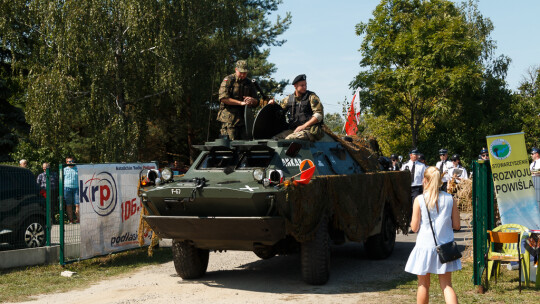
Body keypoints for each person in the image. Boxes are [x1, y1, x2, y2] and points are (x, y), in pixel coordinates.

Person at [405, 166, 461, 304]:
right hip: (445, 246)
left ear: (424, 180)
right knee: (447, 285)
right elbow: (457, 226)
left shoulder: (419, 199)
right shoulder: (450, 199)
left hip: (425, 246)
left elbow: (414, 227)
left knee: (423, 284)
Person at [269, 74, 324, 141]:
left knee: (290, 139)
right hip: (294, 130)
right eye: (302, 85)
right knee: (275, 139)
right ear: (295, 86)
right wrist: (272, 103)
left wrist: (304, 126)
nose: (305, 87)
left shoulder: (311, 97)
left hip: (309, 130)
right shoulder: (289, 99)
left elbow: (319, 115)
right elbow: (279, 110)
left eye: (305, 85)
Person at [217, 60, 259, 140]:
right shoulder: (229, 80)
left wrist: (252, 100)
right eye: (241, 72)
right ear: (236, 70)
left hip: (244, 121)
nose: (243, 75)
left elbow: (257, 101)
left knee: (246, 145)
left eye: (245, 73)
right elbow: (223, 98)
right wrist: (241, 103)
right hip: (229, 120)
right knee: (230, 146)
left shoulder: (249, 83)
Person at [63, 157, 79, 224]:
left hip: (76, 188)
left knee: (77, 204)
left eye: (72, 161)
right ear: (66, 162)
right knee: (68, 205)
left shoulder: (77, 168)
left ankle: (78, 219)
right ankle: (71, 220)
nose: (71, 162)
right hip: (67, 188)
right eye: (69, 161)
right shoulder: (64, 169)